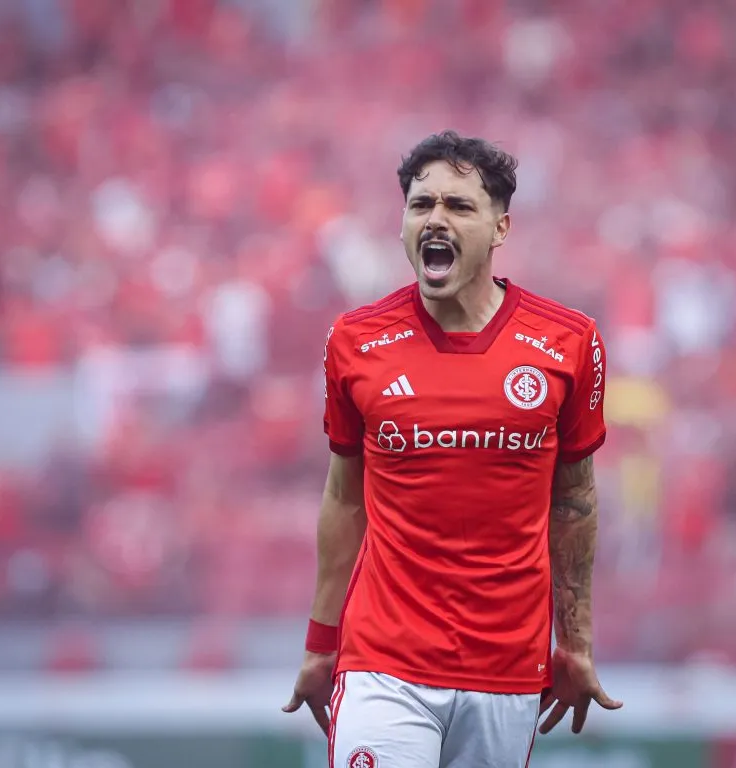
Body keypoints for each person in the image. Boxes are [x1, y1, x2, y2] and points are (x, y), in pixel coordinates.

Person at [282, 131, 622, 768]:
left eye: (459, 206)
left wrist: (575, 644)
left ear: (500, 228)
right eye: (421, 204)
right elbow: (343, 498)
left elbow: (574, 501)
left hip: (507, 670)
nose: (435, 218)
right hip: (383, 664)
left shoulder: (569, 342)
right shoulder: (355, 341)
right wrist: (321, 642)